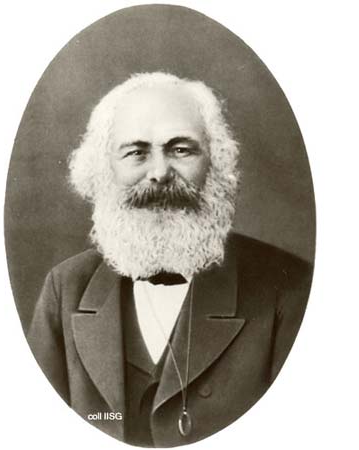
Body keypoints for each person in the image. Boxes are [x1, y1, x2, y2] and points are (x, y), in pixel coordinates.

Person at [27, 72, 312, 447]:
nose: (160, 173)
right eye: (136, 153)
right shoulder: (65, 288)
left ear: (216, 163)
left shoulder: (289, 290)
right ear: (103, 170)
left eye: (181, 150)